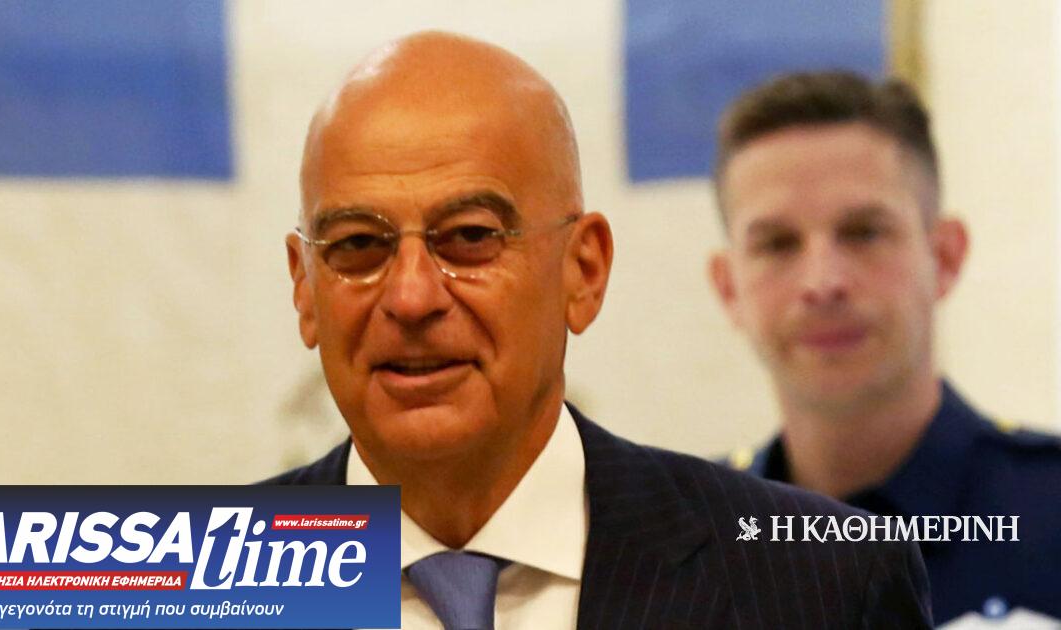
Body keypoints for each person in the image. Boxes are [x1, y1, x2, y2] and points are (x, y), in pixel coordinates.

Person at [270, 32, 931, 628]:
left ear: (582, 271)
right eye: (357, 245)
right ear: (305, 288)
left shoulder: (822, 586)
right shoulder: (215, 582)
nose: (411, 297)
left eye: (470, 237)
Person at [709, 71, 1061, 625]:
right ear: (729, 287)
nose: (822, 283)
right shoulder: (680, 548)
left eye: (864, 233)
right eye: (777, 244)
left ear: (944, 257)